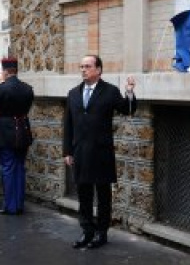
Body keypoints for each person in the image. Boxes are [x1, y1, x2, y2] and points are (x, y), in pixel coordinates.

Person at [63, 55, 137, 249]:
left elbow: (127, 110)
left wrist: (129, 92)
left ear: (98, 70)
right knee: (84, 194)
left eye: (87, 66)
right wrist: (67, 151)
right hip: (80, 153)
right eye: (81, 66)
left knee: (103, 196)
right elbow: (68, 125)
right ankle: (87, 230)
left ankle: (101, 232)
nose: (83, 70)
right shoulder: (73, 94)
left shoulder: (110, 91)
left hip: (101, 152)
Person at [0, 58, 34, 215]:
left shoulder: (0, 89)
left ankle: (10, 206)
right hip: (23, 131)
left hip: (6, 131)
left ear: (6, 72)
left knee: (8, 169)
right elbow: (27, 109)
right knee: (20, 168)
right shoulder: (28, 89)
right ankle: (19, 204)